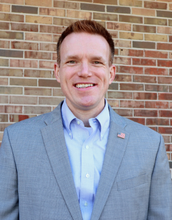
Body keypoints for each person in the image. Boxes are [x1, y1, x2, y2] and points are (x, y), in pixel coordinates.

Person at [0, 20, 171, 220]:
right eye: (72, 61)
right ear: (57, 71)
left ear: (111, 72)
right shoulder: (17, 141)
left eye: (96, 62)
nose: (84, 71)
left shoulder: (150, 145)